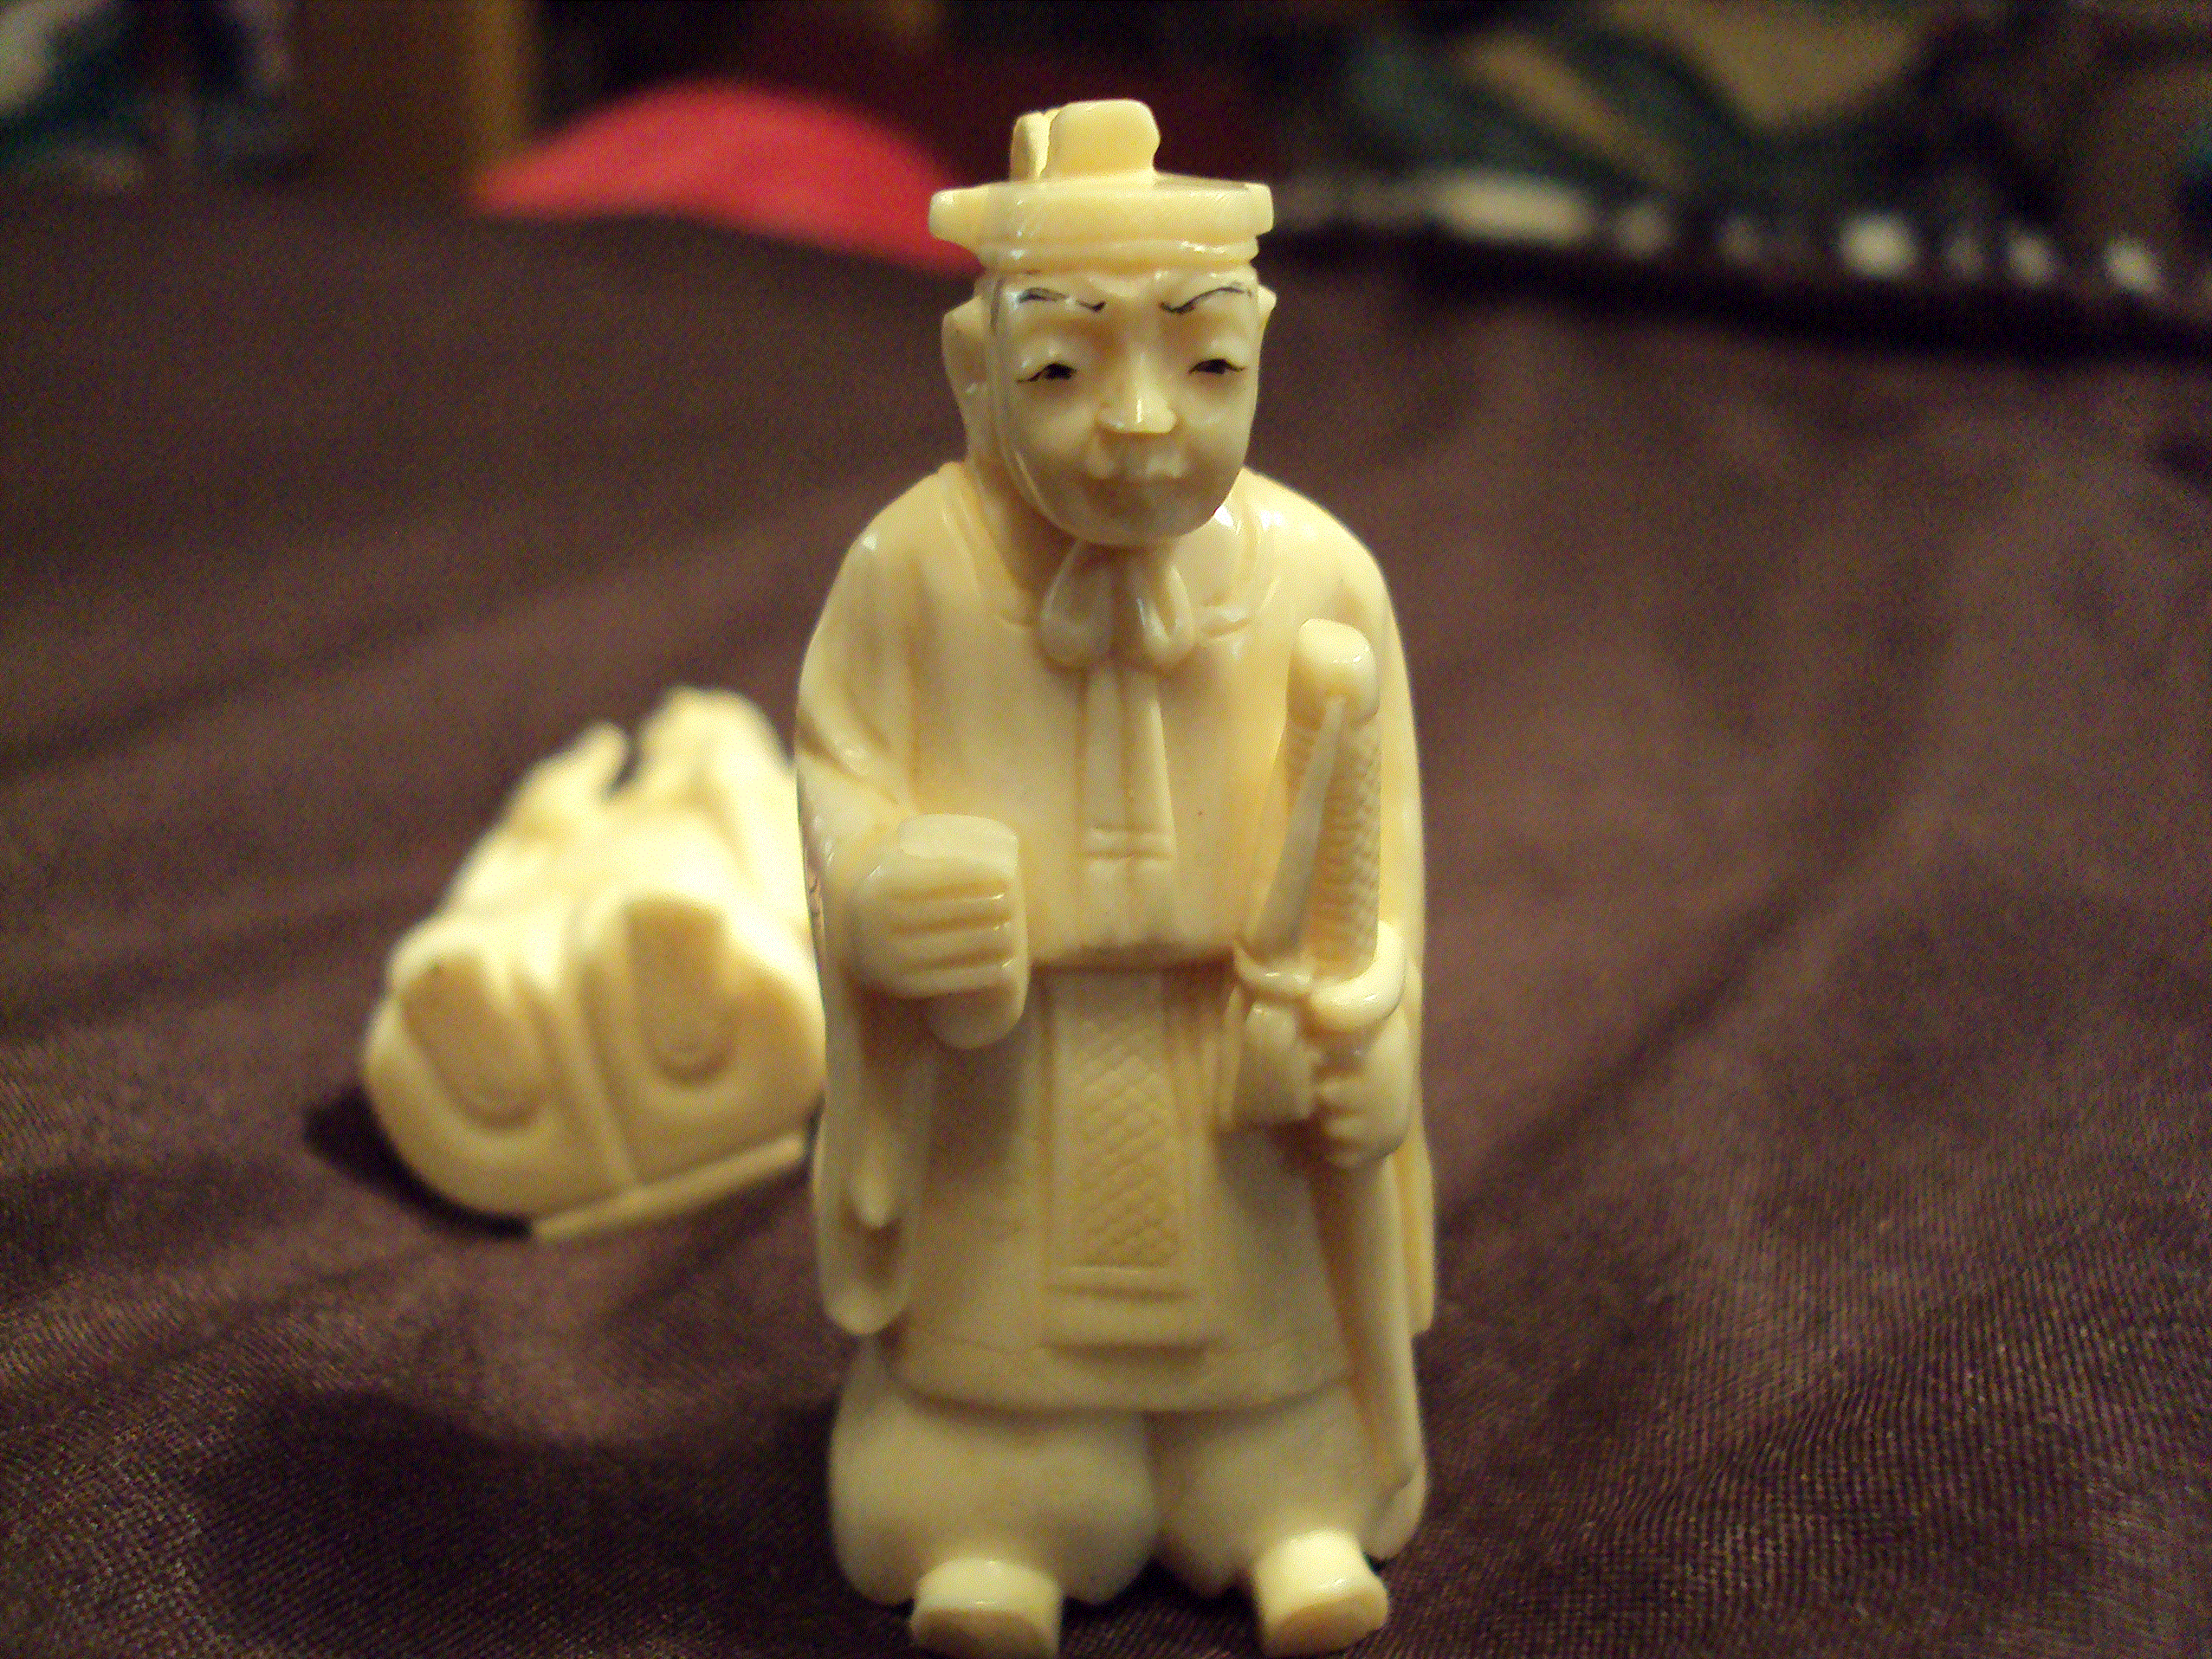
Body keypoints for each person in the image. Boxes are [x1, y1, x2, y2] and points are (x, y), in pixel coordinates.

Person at [796, 100, 1431, 1659]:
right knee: (994, 1384)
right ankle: (1002, 1517)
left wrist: (1368, 1017)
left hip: (1235, 1058)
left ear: (1260, 353)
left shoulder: (1322, 580)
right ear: (975, 369)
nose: (1143, 420)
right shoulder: (909, 574)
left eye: (1204, 365)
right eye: (1065, 371)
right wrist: (877, 897)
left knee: (1262, 1362)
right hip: (1005, 1069)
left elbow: (1384, 867)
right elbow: (837, 774)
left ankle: (1274, 1501)